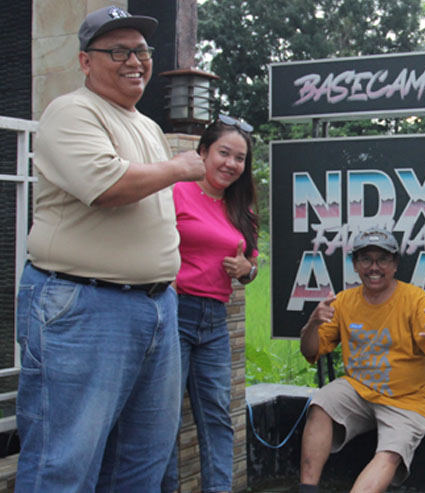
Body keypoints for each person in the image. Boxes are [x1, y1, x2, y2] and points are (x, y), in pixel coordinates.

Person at [14, 6, 206, 491]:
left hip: (155, 307)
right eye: (118, 52)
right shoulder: (71, 111)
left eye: (141, 50)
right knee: (64, 461)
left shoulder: (145, 125)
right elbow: (106, 185)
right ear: (85, 61)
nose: (135, 61)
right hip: (84, 306)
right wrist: (181, 166)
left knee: (142, 462)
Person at [297, 227, 425, 493]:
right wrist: (312, 324)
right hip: (359, 389)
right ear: (355, 265)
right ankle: (307, 489)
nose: (374, 267)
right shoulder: (343, 301)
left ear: (394, 265)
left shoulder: (415, 300)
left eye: (382, 259)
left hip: (408, 399)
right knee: (321, 403)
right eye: (366, 259)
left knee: (390, 453)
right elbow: (309, 350)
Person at [162, 115, 260, 493]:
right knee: (165, 418)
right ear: (203, 151)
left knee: (217, 417)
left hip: (214, 319)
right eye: (224, 153)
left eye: (240, 158)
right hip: (175, 312)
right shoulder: (176, 191)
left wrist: (247, 269)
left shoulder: (241, 208)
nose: (231, 164)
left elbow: (250, 266)